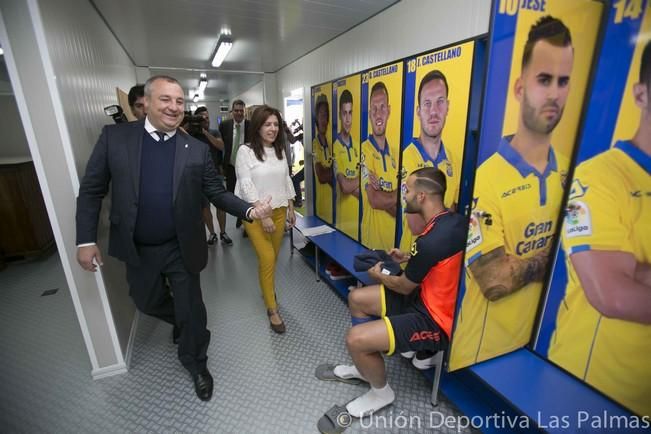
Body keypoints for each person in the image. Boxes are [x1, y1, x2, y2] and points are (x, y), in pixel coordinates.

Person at [75, 75, 271, 401]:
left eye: (179, 101)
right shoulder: (115, 138)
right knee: (146, 300)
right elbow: (92, 190)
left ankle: (196, 361)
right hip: (138, 247)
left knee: (192, 307)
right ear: (147, 103)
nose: (174, 107)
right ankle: (181, 320)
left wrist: (249, 210)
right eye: (165, 99)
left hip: (181, 245)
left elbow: (216, 192)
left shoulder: (194, 149)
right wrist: (85, 239)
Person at [449, 16, 573, 369]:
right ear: (520, 88)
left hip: (536, 347)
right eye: (544, 80)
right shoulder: (485, 180)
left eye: (563, 82)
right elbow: (493, 280)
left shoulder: (569, 171)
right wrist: (552, 259)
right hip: (482, 352)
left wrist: (524, 264)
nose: (553, 93)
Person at [548, 40, 651, 418]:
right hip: (590, 394)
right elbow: (613, 295)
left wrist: (639, 271)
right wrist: (627, 276)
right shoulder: (595, 178)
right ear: (641, 94)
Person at [316, 167, 466, 420]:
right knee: (357, 299)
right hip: (424, 295)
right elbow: (440, 259)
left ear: (422, 197)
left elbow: (404, 285)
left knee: (355, 339)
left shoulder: (431, 240)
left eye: (407, 190)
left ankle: (381, 392)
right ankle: (366, 369)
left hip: (436, 319)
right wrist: (409, 256)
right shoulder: (452, 221)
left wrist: (378, 275)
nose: (403, 194)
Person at [235, 105, 296, 333]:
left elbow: (285, 179)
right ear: (258, 126)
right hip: (254, 214)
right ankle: (272, 308)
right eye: (267, 124)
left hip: (279, 211)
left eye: (276, 125)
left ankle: (266, 288)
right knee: (268, 257)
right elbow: (245, 183)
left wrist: (291, 207)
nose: (272, 129)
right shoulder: (246, 151)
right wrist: (263, 213)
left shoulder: (280, 150)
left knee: (272, 258)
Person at [399, 70, 458, 256]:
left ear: (448, 106)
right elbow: (416, 225)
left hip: (442, 265)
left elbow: (455, 211)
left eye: (440, 102)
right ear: (418, 111)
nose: (433, 111)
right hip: (413, 263)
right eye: (427, 103)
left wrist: (433, 213)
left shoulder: (454, 160)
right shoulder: (407, 158)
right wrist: (447, 217)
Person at [360, 81, 398, 251]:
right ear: (369, 114)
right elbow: (374, 200)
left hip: (394, 248)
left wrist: (385, 196)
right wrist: (399, 194)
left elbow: (402, 210)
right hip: (371, 246)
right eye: (374, 109)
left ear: (389, 111)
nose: (378, 114)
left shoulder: (398, 155)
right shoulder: (364, 151)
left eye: (382, 107)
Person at [193, 106, 232, 246]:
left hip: (215, 175)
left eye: (207, 117)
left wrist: (205, 133)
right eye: (203, 118)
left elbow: (221, 146)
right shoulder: (191, 135)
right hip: (198, 177)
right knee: (205, 207)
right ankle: (212, 233)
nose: (206, 120)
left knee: (221, 205)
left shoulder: (214, 132)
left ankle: (223, 232)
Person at [219, 99, 250, 231]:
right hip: (230, 166)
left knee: (247, 193)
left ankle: (244, 220)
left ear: (244, 111)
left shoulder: (251, 125)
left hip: (247, 166)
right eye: (236, 110)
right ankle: (239, 214)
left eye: (241, 111)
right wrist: (221, 165)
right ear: (232, 112)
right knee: (233, 194)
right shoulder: (225, 125)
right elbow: (221, 146)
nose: (239, 113)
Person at [332, 89, 360, 239]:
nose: (348, 119)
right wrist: (361, 178)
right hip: (343, 221)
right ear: (340, 116)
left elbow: (363, 192)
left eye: (350, 113)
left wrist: (352, 184)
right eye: (344, 113)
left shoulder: (358, 145)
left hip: (358, 221)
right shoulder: (336, 146)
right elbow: (345, 187)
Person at [313, 94, 334, 223]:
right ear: (316, 118)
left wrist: (330, 171)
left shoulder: (331, 144)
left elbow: (331, 175)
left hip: (334, 205)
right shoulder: (315, 144)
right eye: (321, 115)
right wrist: (333, 171)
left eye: (326, 115)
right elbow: (321, 177)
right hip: (321, 206)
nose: (323, 119)